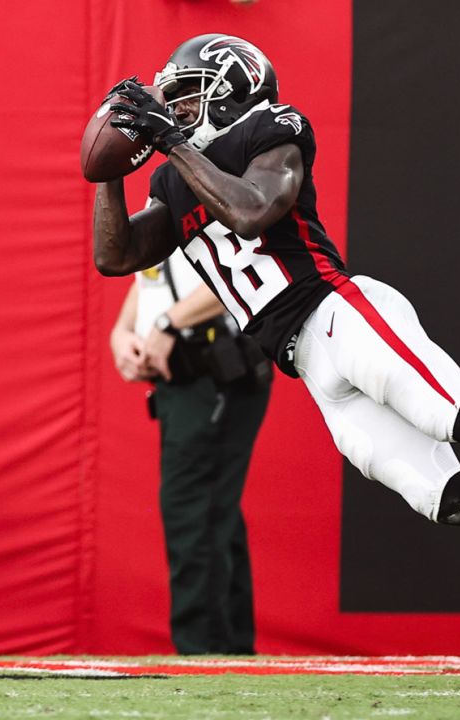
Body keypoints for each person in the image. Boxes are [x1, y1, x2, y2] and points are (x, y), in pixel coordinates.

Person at [90, 33, 460, 634]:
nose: (176, 109)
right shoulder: (175, 179)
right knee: (451, 500)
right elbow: (115, 257)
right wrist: (109, 169)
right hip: (305, 363)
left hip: (339, 314)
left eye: (190, 94)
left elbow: (253, 209)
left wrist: (170, 141)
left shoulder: (275, 128)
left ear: (233, 89)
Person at [109, 250, 272, 654]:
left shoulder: (223, 188)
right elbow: (152, 277)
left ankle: (204, 657)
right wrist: (123, 331)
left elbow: (248, 276)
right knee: (212, 512)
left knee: (194, 510)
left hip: (216, 368)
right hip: (184, 376)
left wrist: (167, 324)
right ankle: (229, 656)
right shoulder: (164, 190)